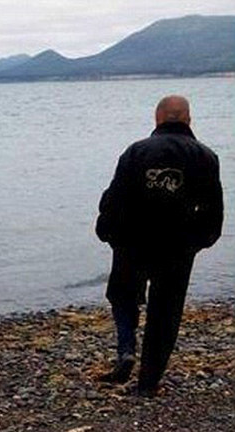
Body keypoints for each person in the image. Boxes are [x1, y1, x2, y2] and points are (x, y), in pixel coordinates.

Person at [95, 95, 223, 397]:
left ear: (158, 119)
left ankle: (126, 349)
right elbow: (213, 211)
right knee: (165, 311)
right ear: (188, 120)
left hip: (132, 241)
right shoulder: (206, 157)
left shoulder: (136, 152)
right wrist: (200, 241)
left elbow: (115, 197)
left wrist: (106, 230)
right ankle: (148, 383)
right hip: (178, 246)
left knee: (123, 294)